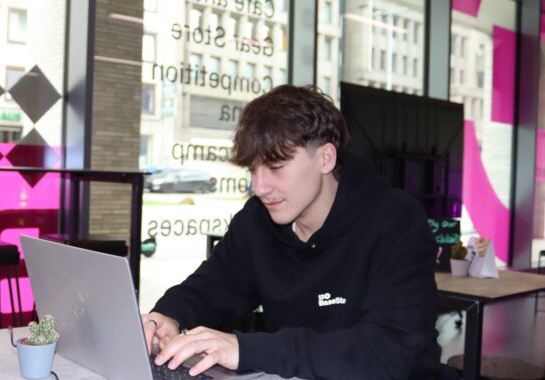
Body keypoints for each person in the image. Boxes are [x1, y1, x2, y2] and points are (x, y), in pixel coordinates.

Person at [141, 85, 457, 379]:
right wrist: (167, 316)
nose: (260, 187)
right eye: (253, 169)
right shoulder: (257, 219)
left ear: (325, 158)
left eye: (276, 167)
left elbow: (388, 349)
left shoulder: (395, 221)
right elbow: (216, 286)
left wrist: (246, 349)